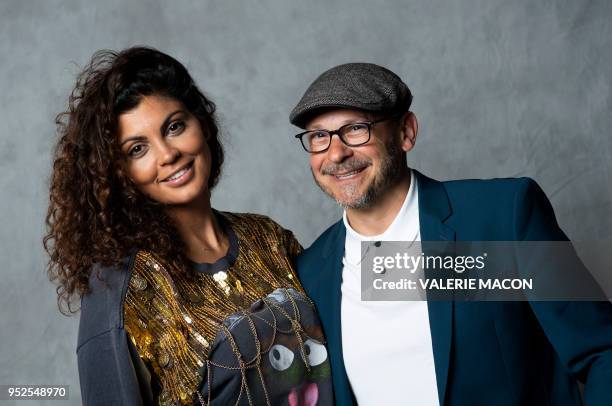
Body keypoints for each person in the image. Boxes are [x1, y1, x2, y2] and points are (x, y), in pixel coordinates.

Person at [289, 63, 612, 405]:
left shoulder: (501, 218)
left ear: (405, 132)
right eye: (319, 136)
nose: (336, 153)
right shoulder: (311, 273)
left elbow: (602, 352)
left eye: (356, 129)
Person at [45, 47, 333, 406]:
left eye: (175, 126)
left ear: (202, 124)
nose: (167, 154)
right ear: (117, 175)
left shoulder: (268, 237)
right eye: (138, 149)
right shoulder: (124, 288)